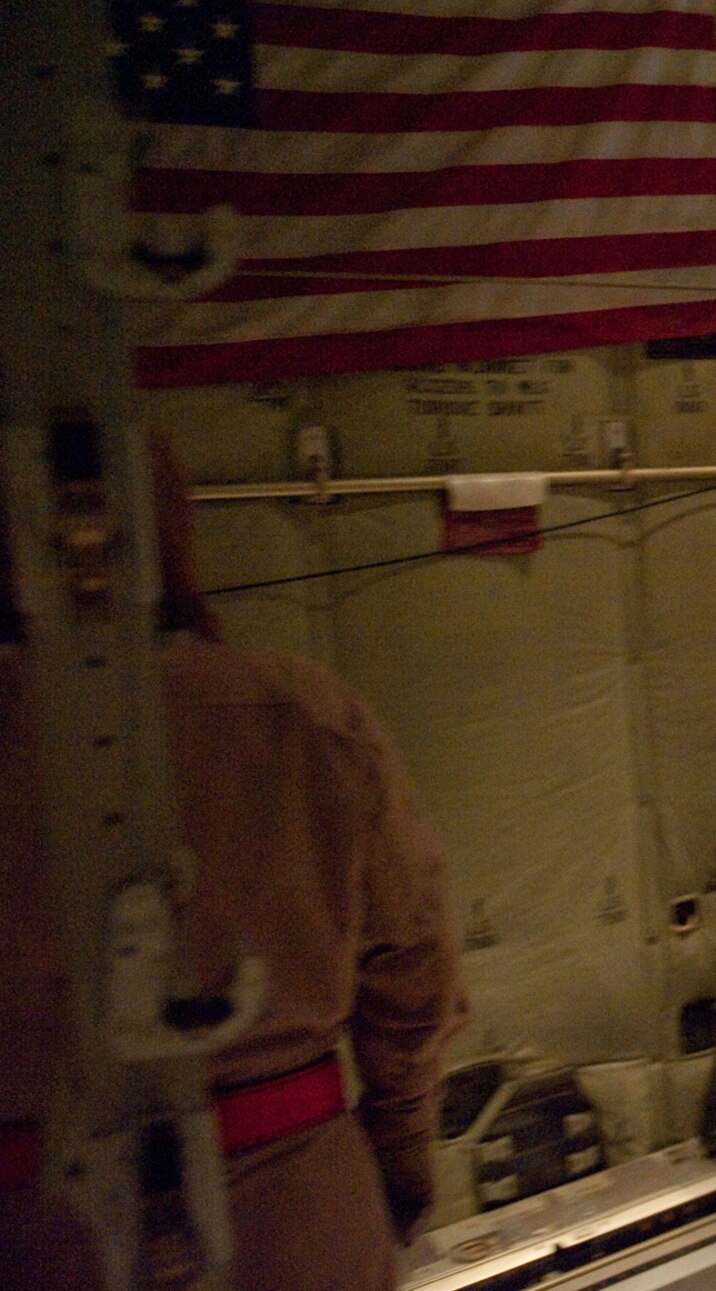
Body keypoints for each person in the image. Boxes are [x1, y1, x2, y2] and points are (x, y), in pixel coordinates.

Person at [0, 436, 468, 1291]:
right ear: (170, 530)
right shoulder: (305, 716)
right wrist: (399, 1153)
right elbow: (415, 970)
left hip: (41, 1233)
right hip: (299, 1207)